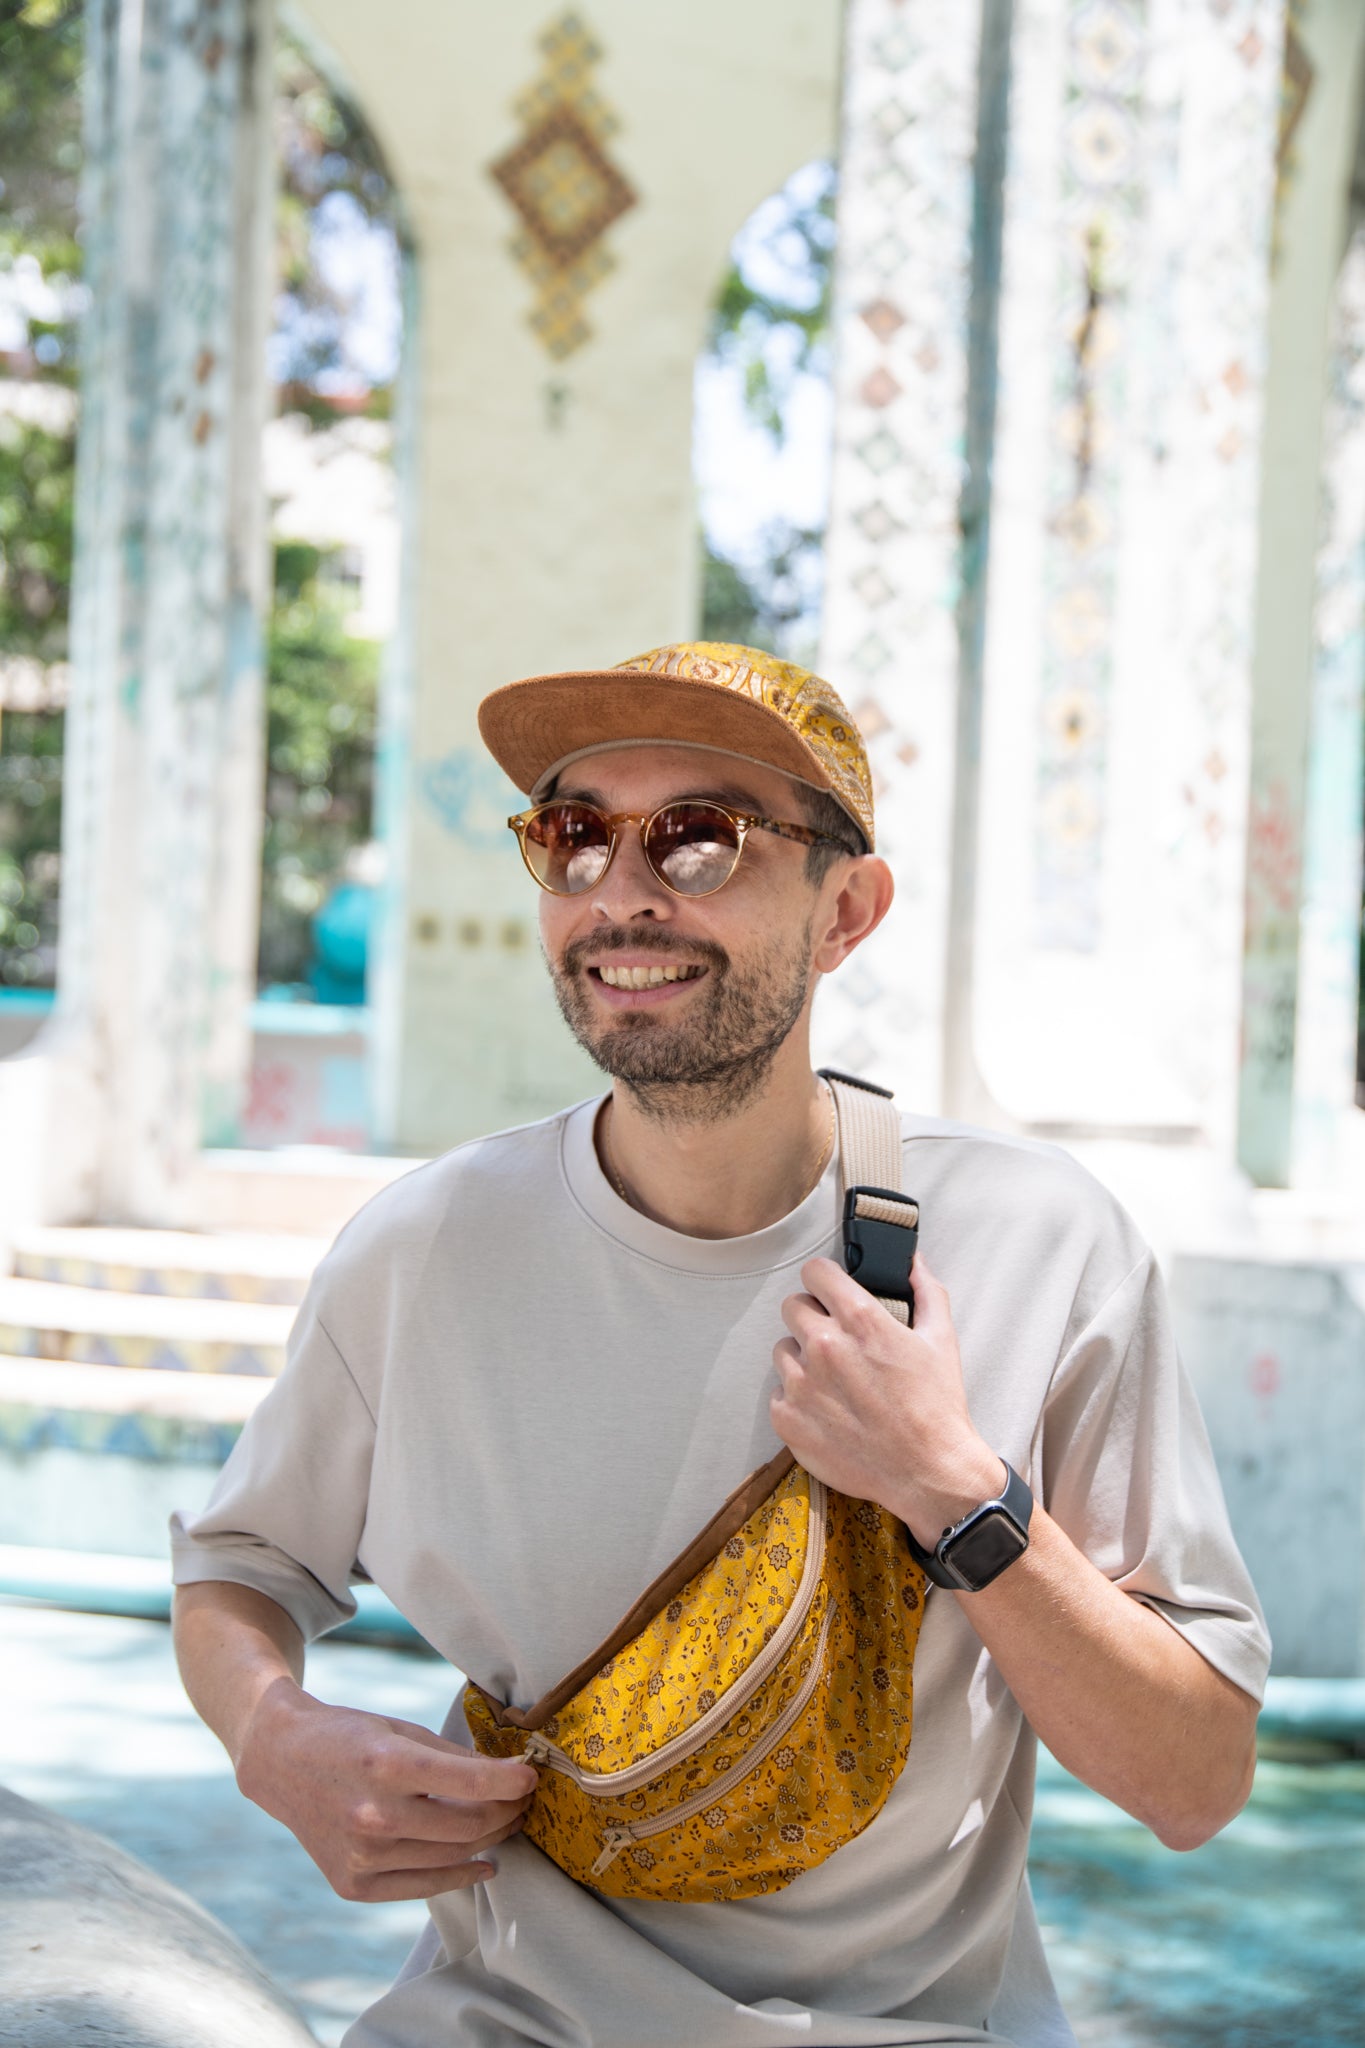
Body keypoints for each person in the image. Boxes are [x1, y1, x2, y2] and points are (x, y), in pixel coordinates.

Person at [172, 641, 1269, 2048]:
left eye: (699, 839)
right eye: (573, 838)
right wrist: (273, 1736)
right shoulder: (424, 1248)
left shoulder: (1035, 1242)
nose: (621, 893)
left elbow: (1196, 1782)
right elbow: (240, 1564)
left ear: (844, 912)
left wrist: (952, 1492)